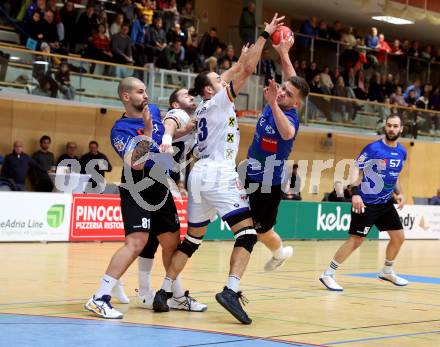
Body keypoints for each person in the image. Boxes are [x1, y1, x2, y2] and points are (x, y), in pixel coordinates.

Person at [153, 14, 285, 325]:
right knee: (248, 233)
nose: (223, 80)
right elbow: (247, 70)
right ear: (211, 90)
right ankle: (231, 290)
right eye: (218, 81)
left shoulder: (202, 104)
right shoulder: (219, 103)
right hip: (218, 172)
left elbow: (228, 73)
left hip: (197, 175)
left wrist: (236, 64)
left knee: (193, 239)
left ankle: (164, 291)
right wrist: (264, 35)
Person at [84, 77, 205, 319]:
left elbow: (164, 138)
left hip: (161, 185)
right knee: (137, 242)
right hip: (137, 186)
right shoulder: (120, 129)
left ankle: (178, 296)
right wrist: (147, 133)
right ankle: (99, 297)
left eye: (146, 91)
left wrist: (186, 130)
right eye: (140, 92)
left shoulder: (154, 113)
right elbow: (135, 164)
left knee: (173, 243)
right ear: (127, 97)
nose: (146, 95)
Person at [319, 114, 408, 291]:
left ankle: (387, 271)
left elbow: (394, 176)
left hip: (385, 203)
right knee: (356, 240)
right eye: (389, 125)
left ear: (401, 129)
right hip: (366, 202)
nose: (391, 129)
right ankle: (328, 274)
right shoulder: (373, 148)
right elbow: (356, 170)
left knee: (398, 238)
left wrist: (400, 194)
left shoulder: (402, 152)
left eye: (395, 126)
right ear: (385, 127)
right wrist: (355, 193)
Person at [245, 34, 309, 272]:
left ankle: (280, 253)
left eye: (288, 95)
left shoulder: (289, 116)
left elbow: (287, 133)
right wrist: (283, 53)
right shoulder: (281, 95)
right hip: (249, 171)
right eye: (282, 89)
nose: (282, 92)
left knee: (263, 232)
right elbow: (292, 80)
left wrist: (272, 102)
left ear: (296, 104)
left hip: (267, 184)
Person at [160, 88, 197, 185]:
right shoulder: (177, 112)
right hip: (159, 170)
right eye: (186, 95)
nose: (192, 97)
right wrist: (166, 142)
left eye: (192, 95)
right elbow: (169, 124)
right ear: (176, 105)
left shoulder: (191, 120)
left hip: (174, 171)